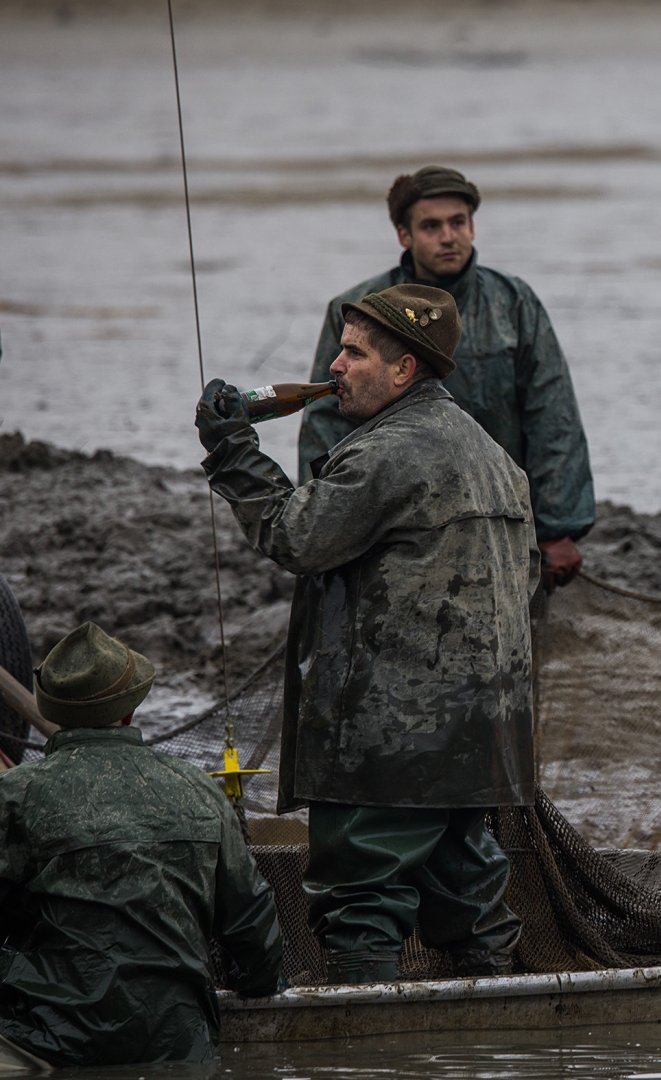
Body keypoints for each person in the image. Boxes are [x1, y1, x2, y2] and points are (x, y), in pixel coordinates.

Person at [197, 284, 537, 983]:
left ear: (405, 369)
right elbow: (524, 576)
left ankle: (365, 1026)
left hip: (388, 745)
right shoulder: (493, 455)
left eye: (353, 353)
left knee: (360, 899)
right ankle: (499, 1024)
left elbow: (294, 535)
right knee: (467, 893)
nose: (336, 366)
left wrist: (232, 449)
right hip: (483, 740)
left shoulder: (387, 453)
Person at [298, 165, 594, 591]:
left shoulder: (513, 304)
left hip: (498, 516)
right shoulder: (355, 310)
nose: (449, 236)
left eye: (458, 222)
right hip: (393, 526)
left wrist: (559, 527)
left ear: (472, 226)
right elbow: (325, 421)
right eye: (431, 226)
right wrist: (321, 524)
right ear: (404, 235)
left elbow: (553, 416)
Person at [0, 623, 283, 1066]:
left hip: (44, 1044)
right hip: (180, 1046)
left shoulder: (15, 795)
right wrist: (253, 988)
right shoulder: (198, 788)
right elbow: (252, 924)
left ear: (51, 709)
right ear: (131, 712)